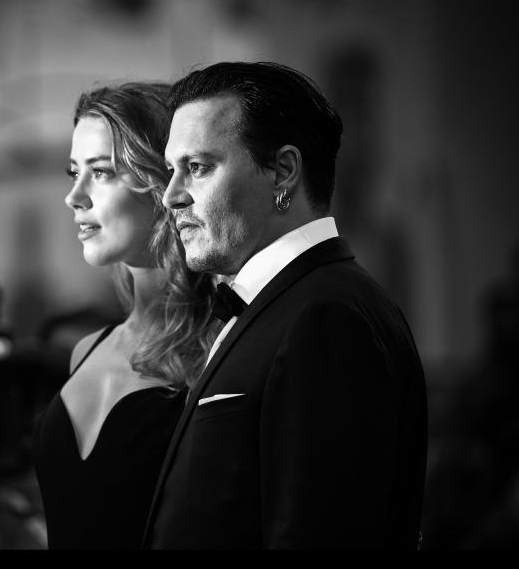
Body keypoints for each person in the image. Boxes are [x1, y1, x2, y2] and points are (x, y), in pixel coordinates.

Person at [143, 62, 428, 549]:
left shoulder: (328, 316)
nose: (171, 196)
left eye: (198, 167)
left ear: (284, 171)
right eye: (173, 170)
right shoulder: (283, 307)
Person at [32, 82, 219, 549]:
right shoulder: (84, 351)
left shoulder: (220, 347)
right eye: (73, 172)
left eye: (101, 172)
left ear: (162, 182)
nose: (74, 196)